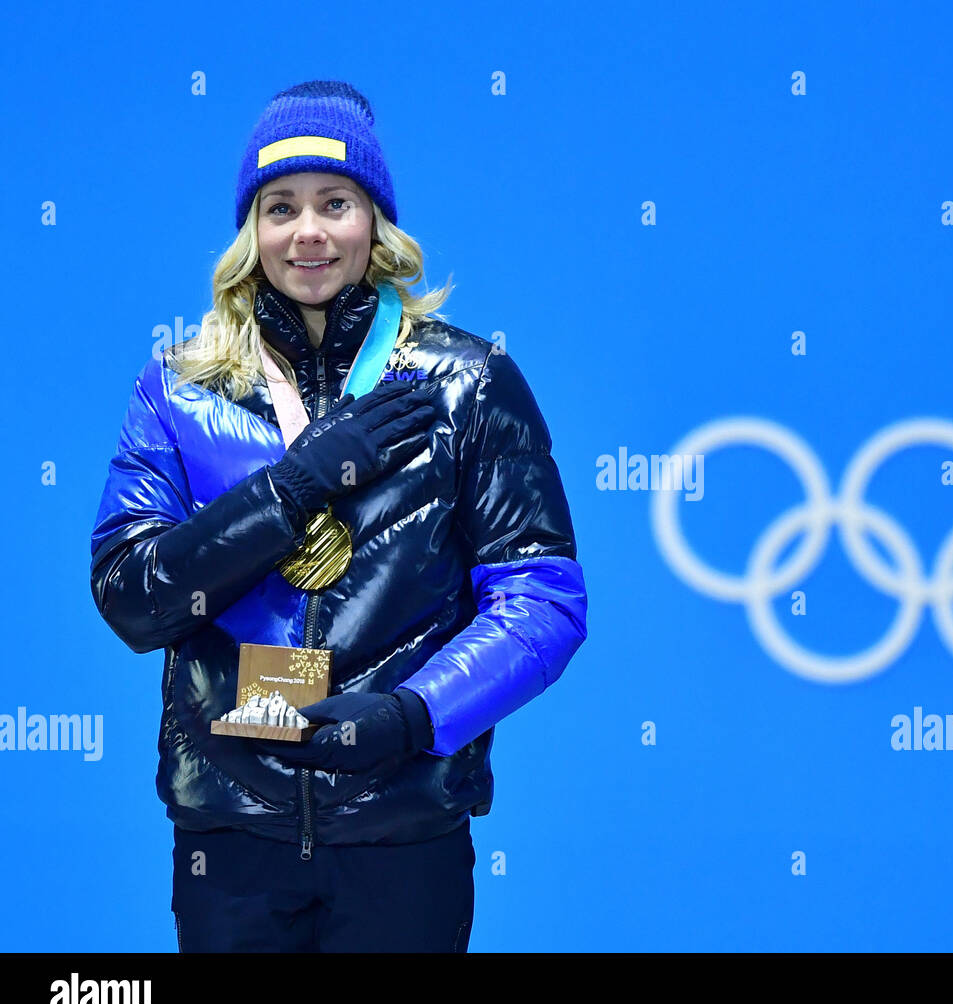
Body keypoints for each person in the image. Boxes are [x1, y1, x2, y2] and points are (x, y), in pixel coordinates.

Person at [88, 80, 588, 953]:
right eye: (280, 207)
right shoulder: (178, 389)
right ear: (251, 232)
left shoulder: (469, 386)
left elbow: (542, 598)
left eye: (335, 202)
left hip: (404, 827)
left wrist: (413, 716)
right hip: (231, 833)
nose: (308, 231)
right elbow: (132, 595)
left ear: (375, 223)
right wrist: (287, 492)